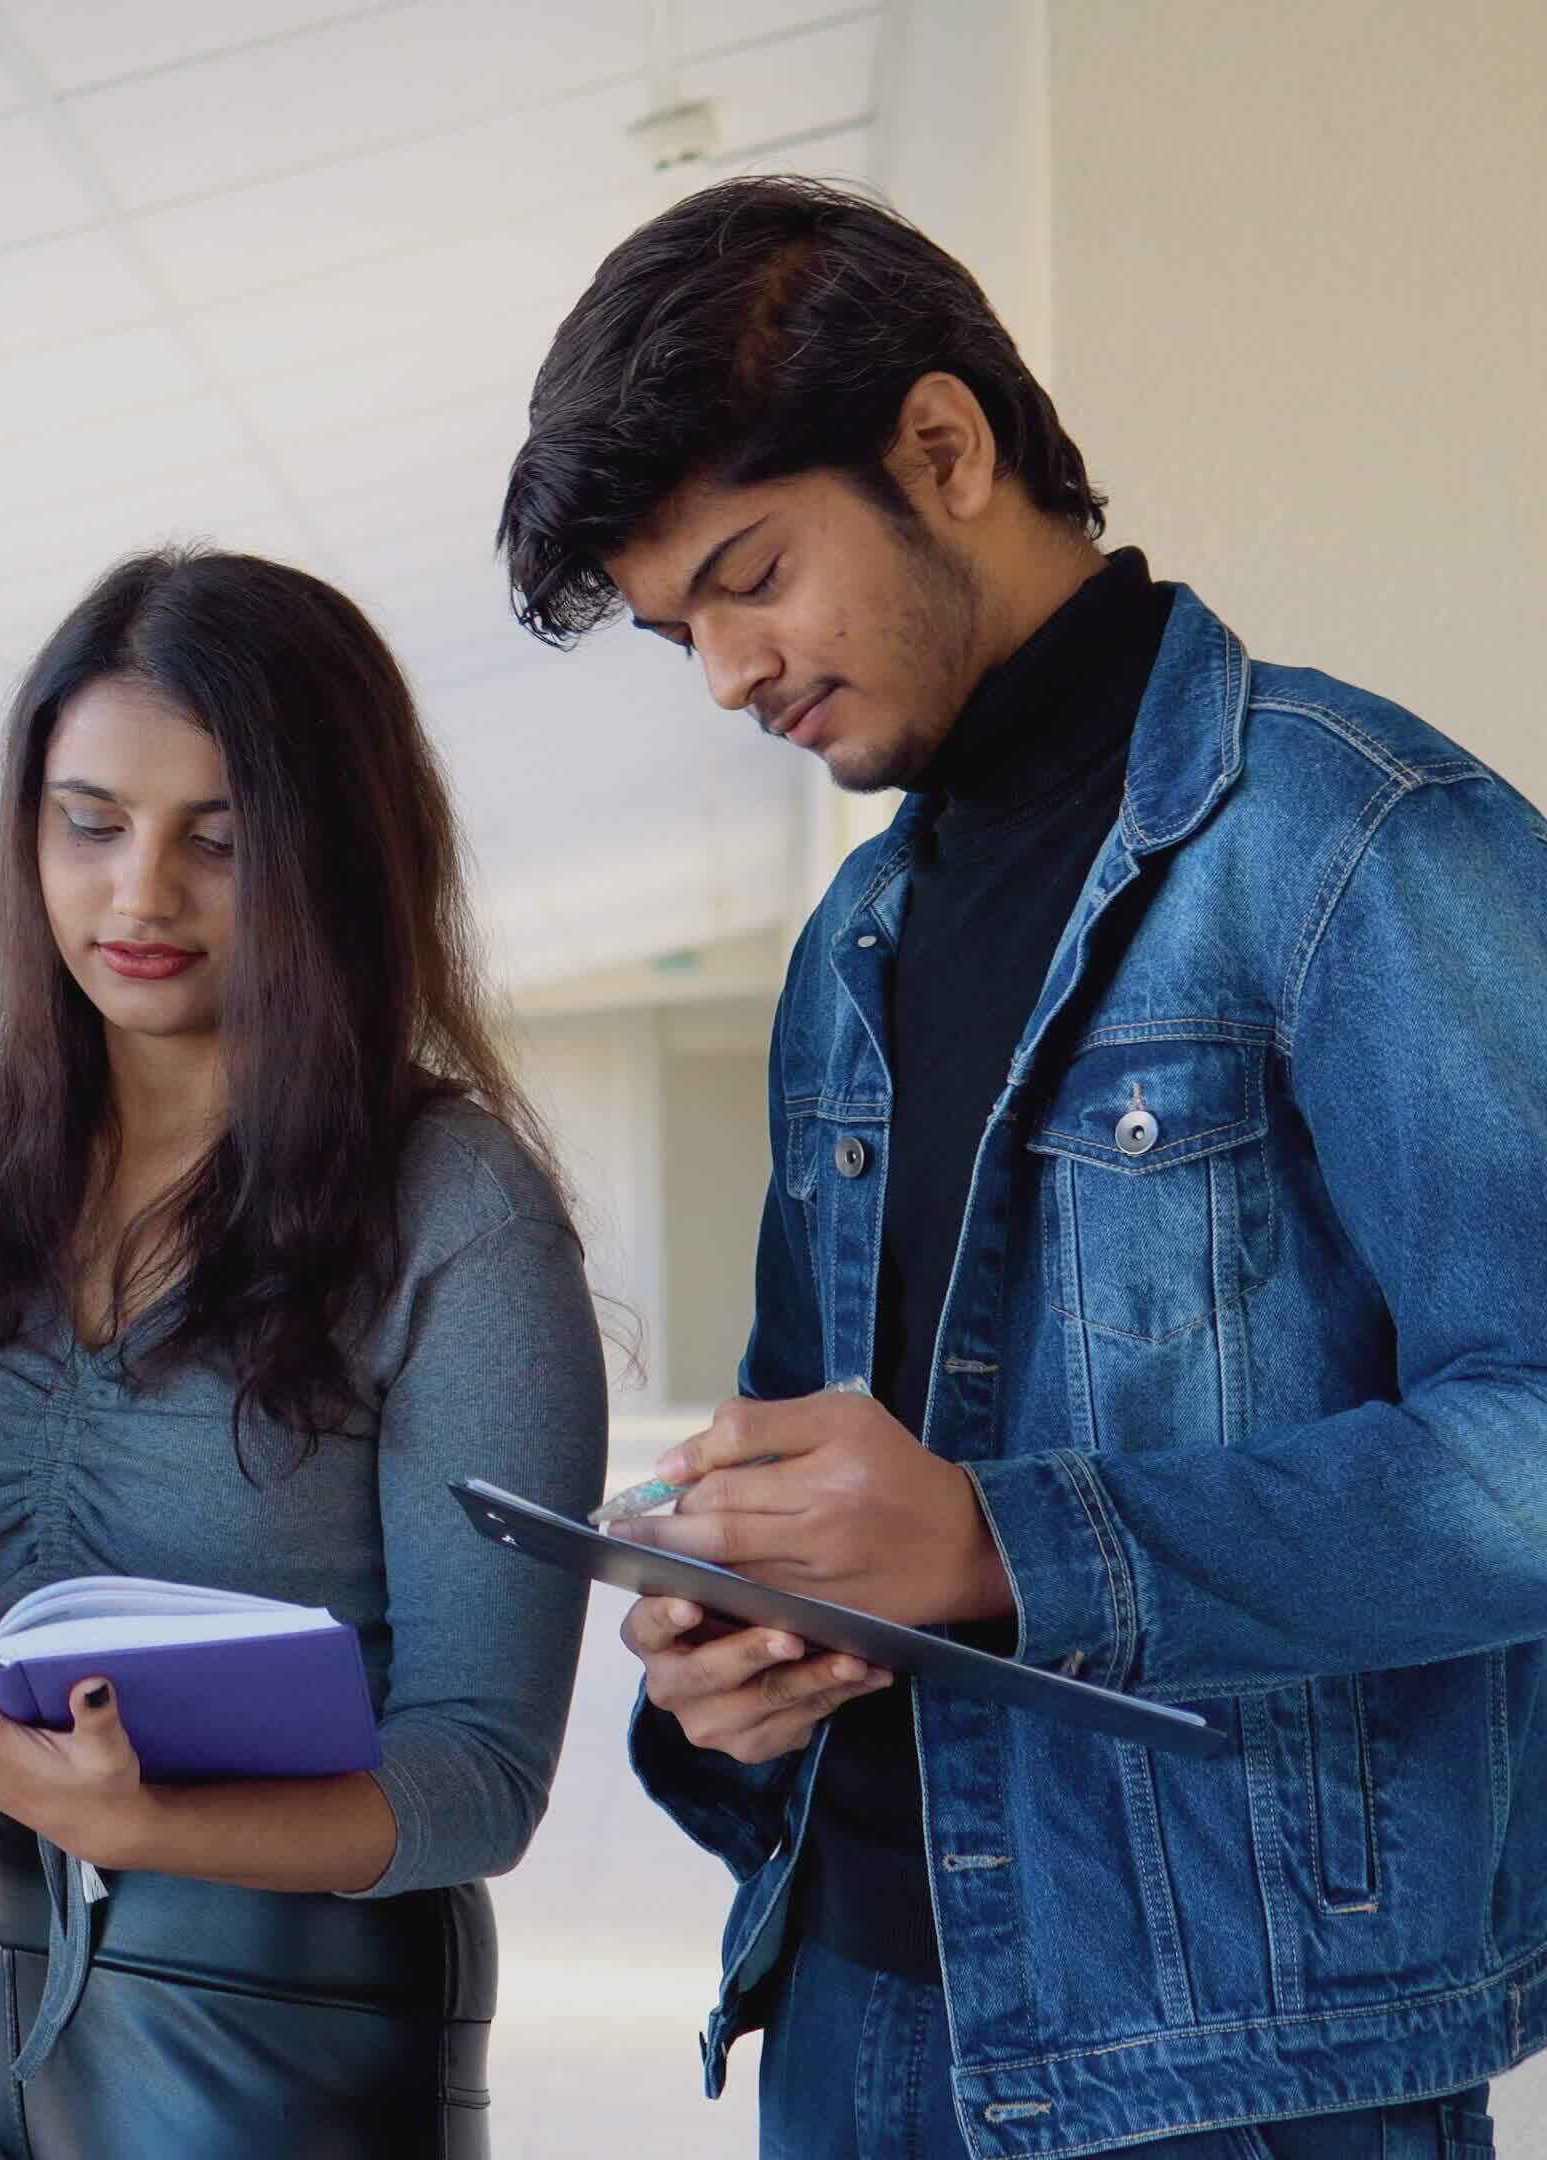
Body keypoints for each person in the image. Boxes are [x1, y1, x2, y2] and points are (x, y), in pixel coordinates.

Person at [501, 174, 1547, 2155]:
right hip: (853, 2013)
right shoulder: (851, 947)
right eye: (677, 632)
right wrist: (730, 1637)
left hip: (1239, 2073)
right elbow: (813, 1451)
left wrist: (1009, 1544)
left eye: (752, 575)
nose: (725, 672)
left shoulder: (1355, 842)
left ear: (946, 447)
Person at [0, 549, 606, 2159]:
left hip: (287, 2026)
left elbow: (481, 1772)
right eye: (90, 825)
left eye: (218, 844)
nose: (139, 896)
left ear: (336, 860)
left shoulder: (453, 1205)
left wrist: (144, 1822)